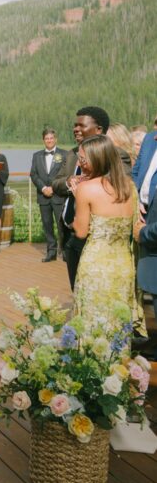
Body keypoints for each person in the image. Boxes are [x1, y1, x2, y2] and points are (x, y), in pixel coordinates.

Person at [73, 135, 146, 336]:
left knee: (92, 325)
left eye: (83, 160)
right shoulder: (129, 187)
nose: (80, 164)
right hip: (123, 267)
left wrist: (76, 198)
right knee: (117, 324)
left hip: (95, 266)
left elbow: (80, 231)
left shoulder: (85, 188)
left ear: (97, 159)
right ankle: (119, 365)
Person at [52, 106, 110, 290]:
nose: (76, 129)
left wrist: (87, 189)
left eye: (81, 125)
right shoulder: (72, 154)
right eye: (74, 125)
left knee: (93, 290)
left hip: (94, 237)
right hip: (69, 233)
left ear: (98, 130)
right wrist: (69, 183)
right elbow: (55, 183)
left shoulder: (111, 157)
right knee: (75, 288)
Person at [29, 128, 68, 262]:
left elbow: (66, 175)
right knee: (47, 224)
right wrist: (43, 187)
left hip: (58, 196)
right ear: (43, 140)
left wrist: (53, 187)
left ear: (55, 139)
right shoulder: (37, 155)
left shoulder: (64, 154)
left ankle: (64, 251)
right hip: (43, 196)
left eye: (51, 138)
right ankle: (51, 252)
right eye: (47, 139)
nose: (49, 141)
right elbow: (33, 174)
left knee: (61, 224)